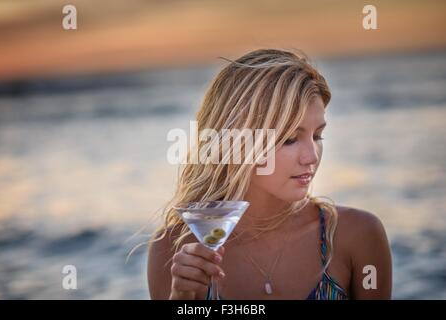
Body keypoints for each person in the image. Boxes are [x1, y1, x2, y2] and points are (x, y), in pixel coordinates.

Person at [147, 48, 392, 300]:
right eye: (289, 139)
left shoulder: (357, 236)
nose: (312, 156)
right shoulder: (174, 250)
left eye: (317, 136)